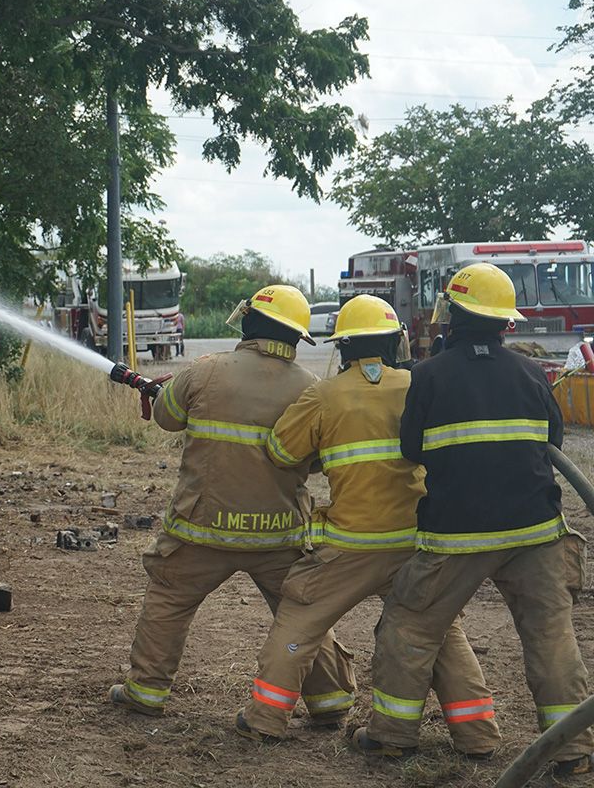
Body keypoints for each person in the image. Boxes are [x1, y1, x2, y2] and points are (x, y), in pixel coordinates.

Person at [353, 263, 593, 777]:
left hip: (456, 535)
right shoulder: (531, 373)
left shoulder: (430, 375)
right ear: (504, 322)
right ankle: (572, 751)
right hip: (536, 533)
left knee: (410, 626)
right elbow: (553, 440)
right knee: (551, 636)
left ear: (454, 316)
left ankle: (392, 736)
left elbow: (412, 447)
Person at [235, 295, 500, 757]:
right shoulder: (418, 384)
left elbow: (281, 454)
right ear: (395, 341)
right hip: (417, 542)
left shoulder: (324, 394)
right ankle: (477, 734)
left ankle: (264, 718)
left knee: (299, 619)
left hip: (349, 545)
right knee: (439, 632)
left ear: (344, 347)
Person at [108, 285, 354, 720]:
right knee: (301, 613)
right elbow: (315, 462)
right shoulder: (312, 388)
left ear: (248, 322)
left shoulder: (205, 371)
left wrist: (166, 393)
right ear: (297, 336)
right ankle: (331, 700)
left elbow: (166, 418)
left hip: (201, 529)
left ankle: (146, 691)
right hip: (277, 535)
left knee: (168, 599)